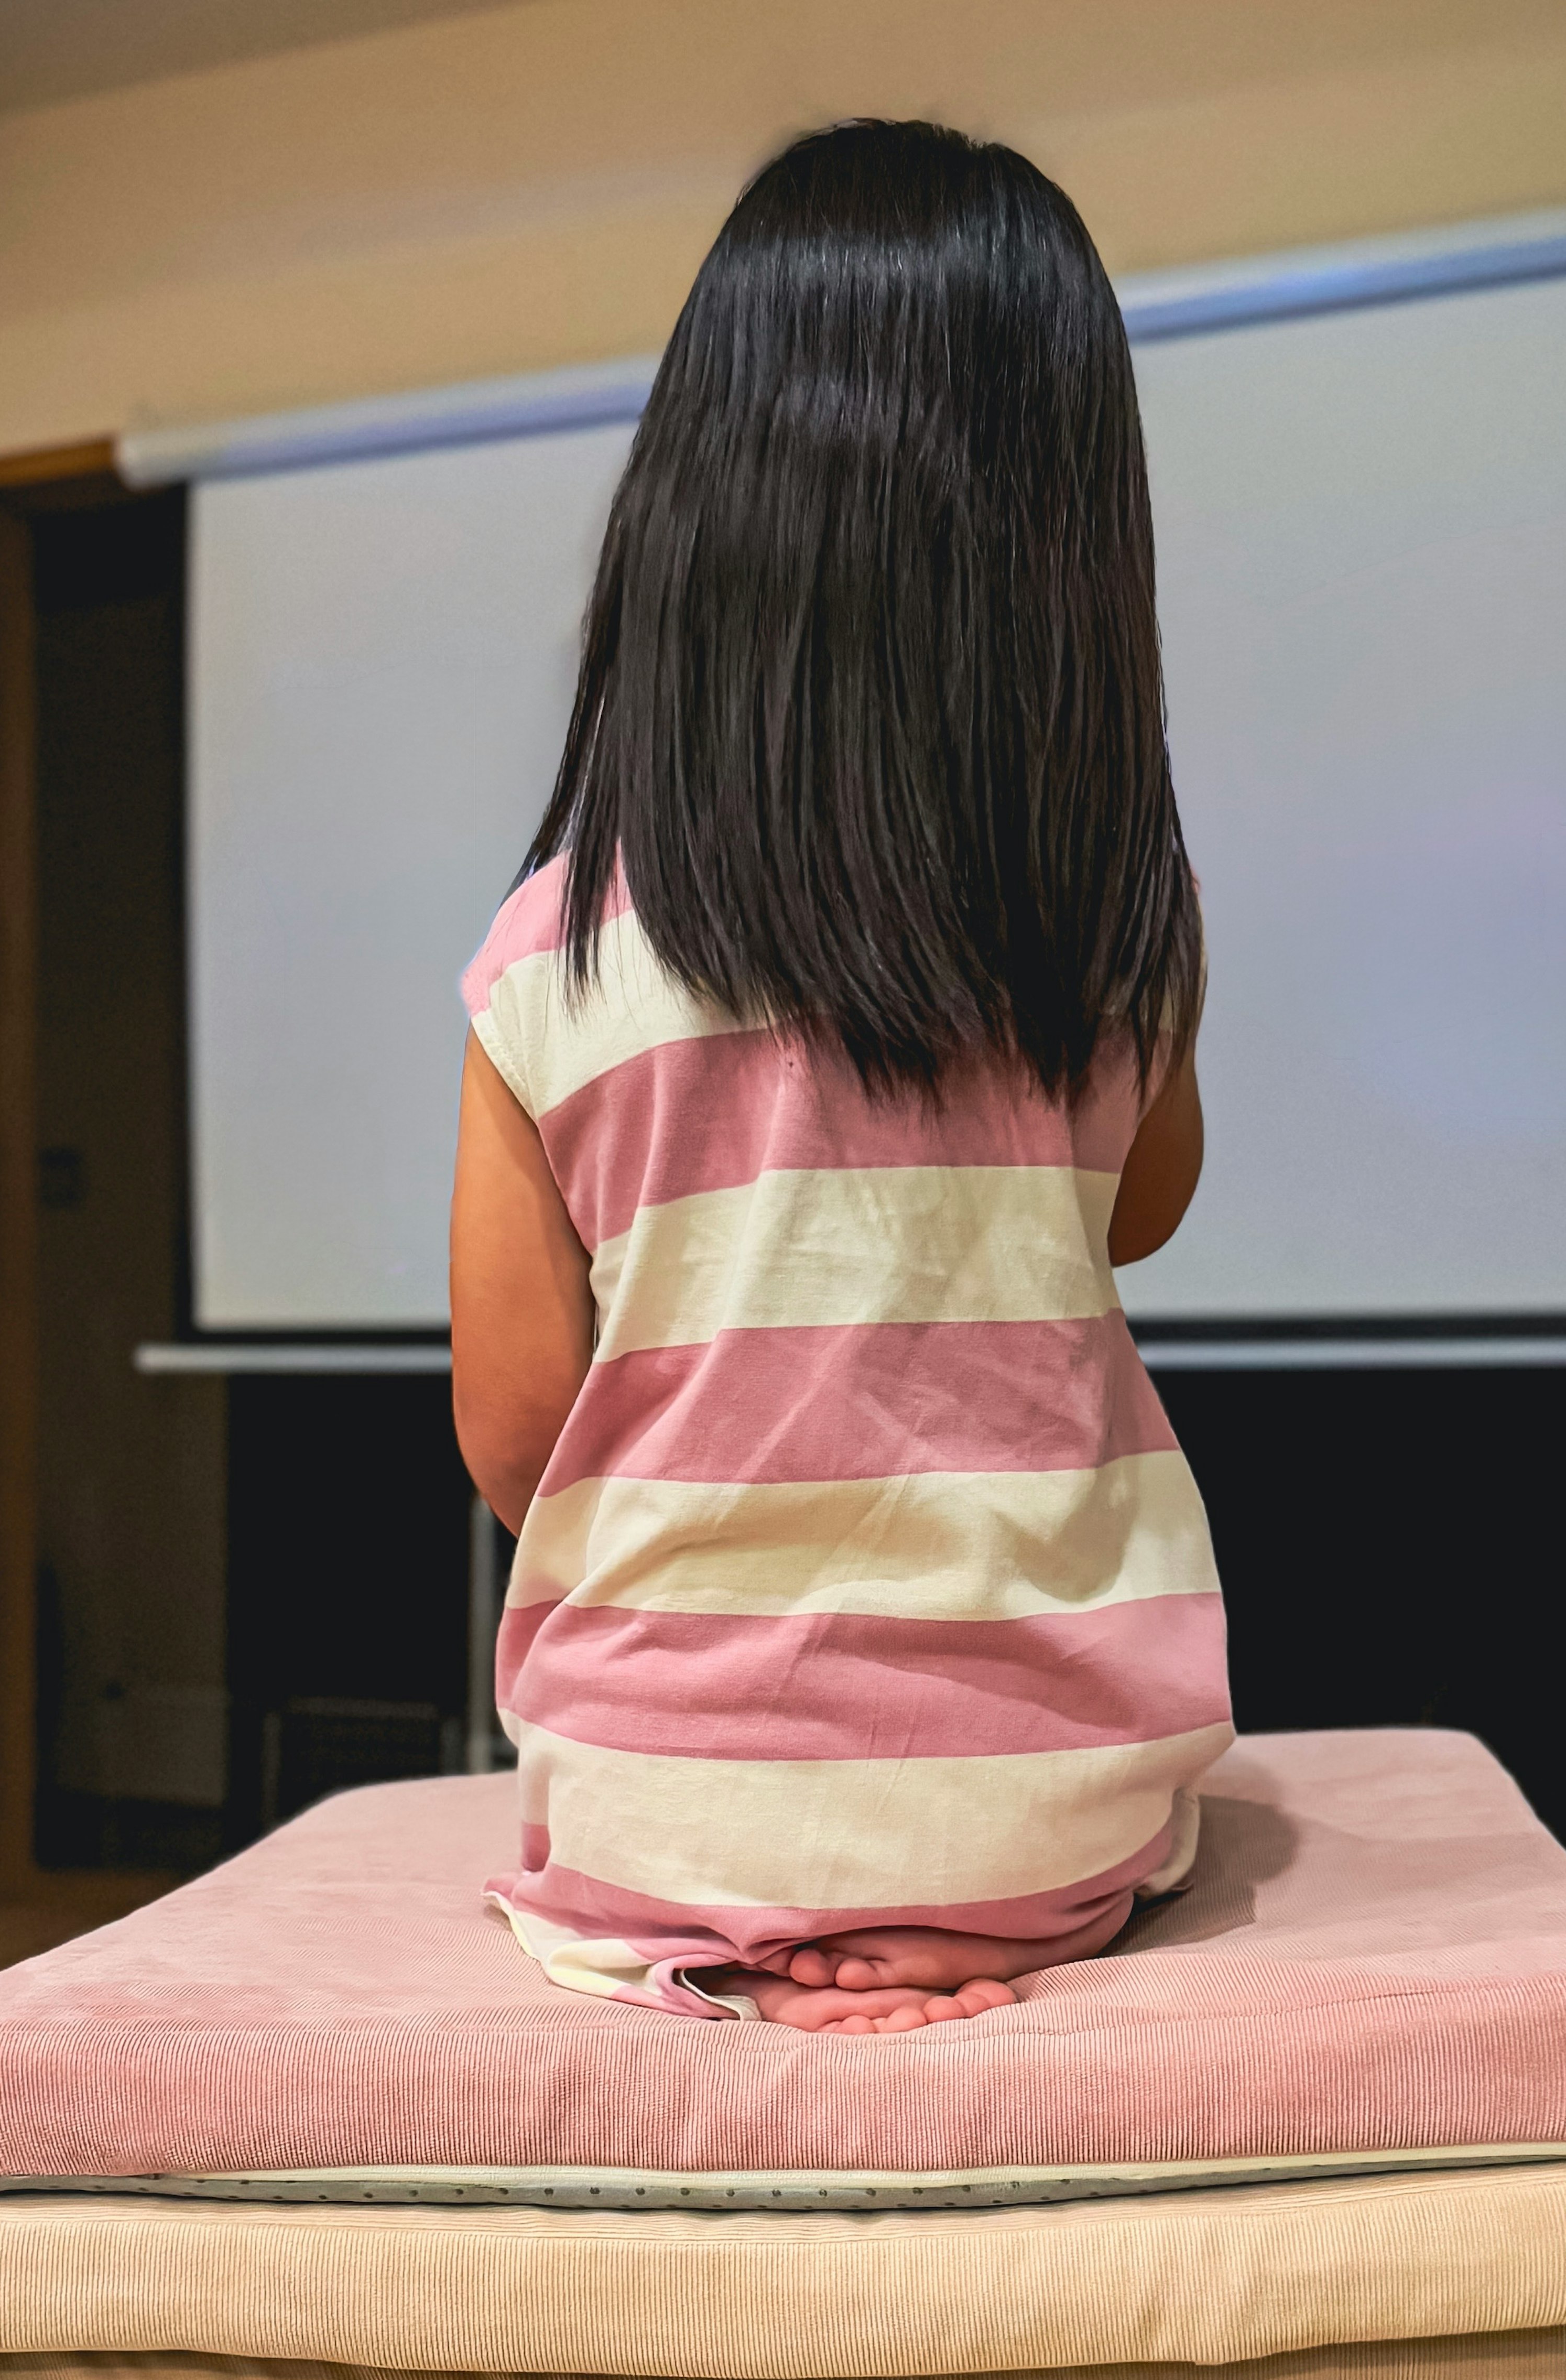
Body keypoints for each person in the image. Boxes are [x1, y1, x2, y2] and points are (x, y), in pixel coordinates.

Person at [451, 119, 1231, 2036]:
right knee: (1133, 1803)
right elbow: (1141, 1200)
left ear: (694, 520)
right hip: (1051, 1802)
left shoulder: (552, 954)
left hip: (665, 1812)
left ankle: (755, 1925)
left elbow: (514, 1425)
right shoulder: (1109, 927)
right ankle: (982, 1899)